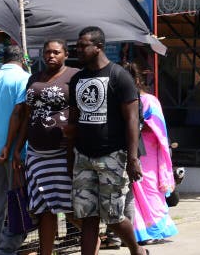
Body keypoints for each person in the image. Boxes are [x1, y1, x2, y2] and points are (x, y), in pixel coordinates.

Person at [69, 26, 146, 255]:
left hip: (113, 154)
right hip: (83, 155)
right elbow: (74, 119)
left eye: (83, 46)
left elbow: (132, 119)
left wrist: (132, 159)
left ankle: (136, 249)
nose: (78, 50)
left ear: (99, 47)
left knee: (112, 215)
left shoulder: (119, 76)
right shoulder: (78, 79)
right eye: (77, 45)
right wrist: (69, 156)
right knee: (87, 215)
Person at [11, 39, 78, 255]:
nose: (51, 56)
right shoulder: (35, 78)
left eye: (56, 52)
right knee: (44, 209)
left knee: (67, 206)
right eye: (47, 52)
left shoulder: (75, 77)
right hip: (35, 154)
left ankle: (91, 242)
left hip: (61, 153)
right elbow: (27, 116)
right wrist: (17, 148)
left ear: (65, 54)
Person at [0, 45, 30, 255]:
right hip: (17, 151)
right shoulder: (26, 79)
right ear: (22, 60)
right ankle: (7, 249)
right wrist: (11, 147)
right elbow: (20, 115)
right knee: (20, 202)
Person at [125, 61, 178, 245]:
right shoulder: (134, 100)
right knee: (138, 191)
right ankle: (141, 233)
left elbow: (159, 129)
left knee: (148, 189)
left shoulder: (148, 100)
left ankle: (153, 231)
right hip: (137, 150)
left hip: (147, 151)